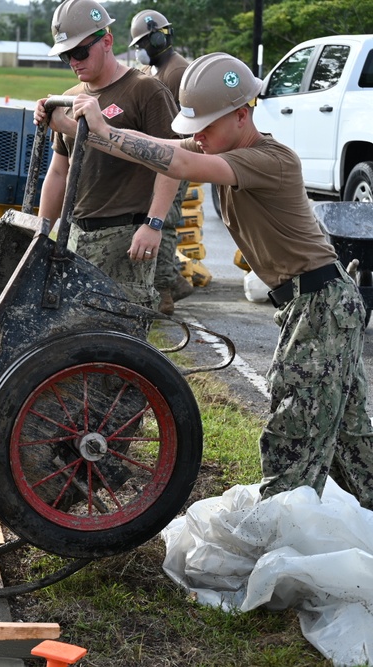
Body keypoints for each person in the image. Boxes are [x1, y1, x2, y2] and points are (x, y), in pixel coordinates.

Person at [71, 52, 373, 510]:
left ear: (242, 114)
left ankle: (281, 534)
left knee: (294, 430)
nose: (198, 136)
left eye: (206, 126)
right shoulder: (218, 144)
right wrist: (92, 126)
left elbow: (180, 166)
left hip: (322, 303)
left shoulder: (268, 159)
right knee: (350, 438)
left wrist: (108, 130)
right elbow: (156, 145)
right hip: (309, 304)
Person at [33, 0, 180, 310]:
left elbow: (170, 163)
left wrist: (154, 225)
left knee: (120, 336)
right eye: (65, 55)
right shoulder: (71, 98)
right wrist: (42, 232)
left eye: (80, 52)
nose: (73, 61)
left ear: (107, 41)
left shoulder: (146, 91)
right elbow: (59, 172)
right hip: (76, 236)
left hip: (125, 237)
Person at [129, 8, 194, 314]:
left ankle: (165, 293)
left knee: (164, 223)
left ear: (156, 39)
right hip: (164, 158)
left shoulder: (177, 73)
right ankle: (174, 283)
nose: (141, 51)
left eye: (142, 45)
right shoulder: (160, 71)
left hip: (175, 159)